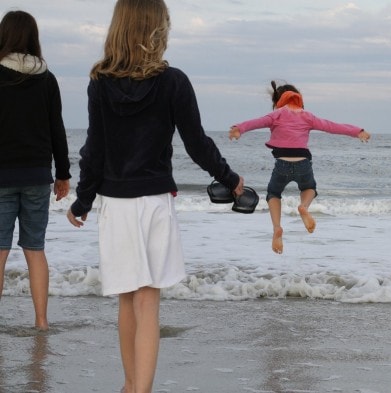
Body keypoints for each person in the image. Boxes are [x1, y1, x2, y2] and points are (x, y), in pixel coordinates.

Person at [66, 1, 244, 392]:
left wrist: (82, 200)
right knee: (148, 301)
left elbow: (94, 150)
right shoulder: (173, 81)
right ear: (157, 29)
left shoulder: (100, 80)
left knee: (127, 299)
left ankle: (131, 387)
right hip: (154, 202)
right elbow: (196, 142)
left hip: (115, 203)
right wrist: (229, 178)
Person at [229, 81, 371, 254]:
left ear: (278, 101)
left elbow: (257, 122)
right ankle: (304, 207)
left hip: (281, 163)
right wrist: (357, 131)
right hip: (303, 163)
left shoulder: (276, 115)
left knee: (274, 193)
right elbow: (332, 126)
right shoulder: (307, 116)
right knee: (309, 187)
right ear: (298, 97)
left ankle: (276, 228)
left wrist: (239, 129)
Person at [0, 10, 71, 331]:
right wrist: (63, 174)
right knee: (35, 249)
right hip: (37, 176)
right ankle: (42, 322)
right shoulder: (47, 78)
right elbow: (57, 128)